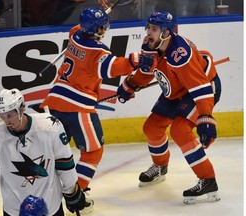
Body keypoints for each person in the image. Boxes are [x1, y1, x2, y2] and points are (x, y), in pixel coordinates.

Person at [40, 6, 155, 214]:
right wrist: (134, 60)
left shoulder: (74, 34)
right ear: (99, 29)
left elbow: (83, 30)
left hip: (53, 101)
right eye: (103, 26)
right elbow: (111, 67)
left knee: (53, 153)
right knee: (93, 152)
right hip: (77, 106)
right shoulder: (98, 51)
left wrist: (100, 17)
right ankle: (75, 196)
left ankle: (43, 194)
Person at [117, 11, 222, 204]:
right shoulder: (151, 44)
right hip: (176, 90)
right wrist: (130, 84)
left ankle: (208, 179)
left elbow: (200, 87)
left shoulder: (180, 54)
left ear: (166, 32)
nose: (149, 32)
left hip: (201, 89)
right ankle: (160, 167)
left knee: (180, 130)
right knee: (151, 128)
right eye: (148, 27)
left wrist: (206, 117)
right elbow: (147, 70)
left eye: (154, 29)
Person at [0, 88, 87, 216]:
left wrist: (71, 190)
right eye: (2, 116)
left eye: (9, 115)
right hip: (14, 210)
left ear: (22, 108)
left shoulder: (50, 127)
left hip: (51, 206)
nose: (6, 121)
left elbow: (64, 162)